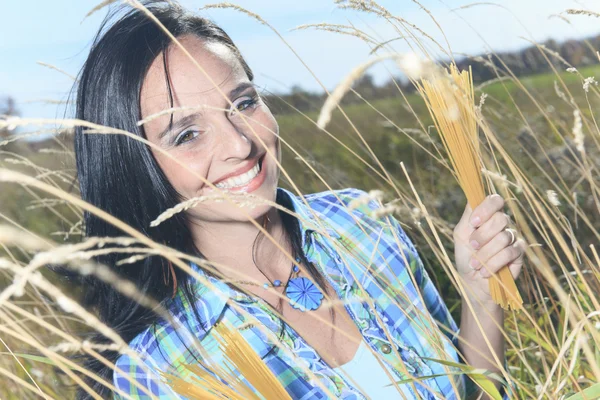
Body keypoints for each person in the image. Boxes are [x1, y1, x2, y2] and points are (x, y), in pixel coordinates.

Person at [71, 1, 525, 399]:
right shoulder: (163, 370)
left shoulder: (362, 223)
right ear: (137, 168)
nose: (239, 144)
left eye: (244, 103)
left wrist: (481, 295)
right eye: (187, 134)